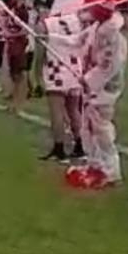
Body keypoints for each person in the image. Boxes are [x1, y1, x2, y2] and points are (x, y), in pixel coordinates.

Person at [73, 3, 128, 188]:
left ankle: (111, 170)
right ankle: (95, 163)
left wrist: (89, 79)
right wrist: (50, 38)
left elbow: (108, 66)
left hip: (105, 90)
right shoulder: (96, 29)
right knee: (88, 127)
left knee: (102, 129)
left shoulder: (113, 36)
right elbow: (78, 40)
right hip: (92, 88)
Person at [39, 11, 88, 163]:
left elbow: (41, 51)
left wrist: (36, 73)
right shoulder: (76, 19)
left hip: (56, 69)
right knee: (73, 110)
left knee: (57, 111)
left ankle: (59, 149)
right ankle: (80, 145)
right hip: (74, 68)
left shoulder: (46, 23)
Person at [2, 0, 34, 113]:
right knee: (13, 74)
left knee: (19, 75)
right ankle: (13, 103)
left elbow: (25, 30)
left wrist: (11, 34)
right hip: (12, 44)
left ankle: (18, 105)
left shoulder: (23, 12)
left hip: (19, 45)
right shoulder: (13, 8)